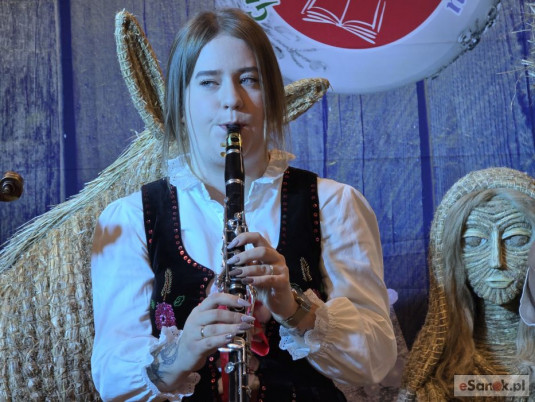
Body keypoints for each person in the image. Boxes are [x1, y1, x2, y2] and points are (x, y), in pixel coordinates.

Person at [91, 8, 396, 401]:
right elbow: (112, 382)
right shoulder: (131, 219)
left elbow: (375, 362)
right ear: (180, 103)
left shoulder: (334, 205)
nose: (232, 100)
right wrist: (181, 353)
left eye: (249, 80)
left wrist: (296, 310)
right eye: (208, 82)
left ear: (272, 98)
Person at [399, 168, 535, 400]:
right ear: (453, 252)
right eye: (474, 241)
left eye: (516, 238)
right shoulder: (436, 381)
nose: (496, 261)